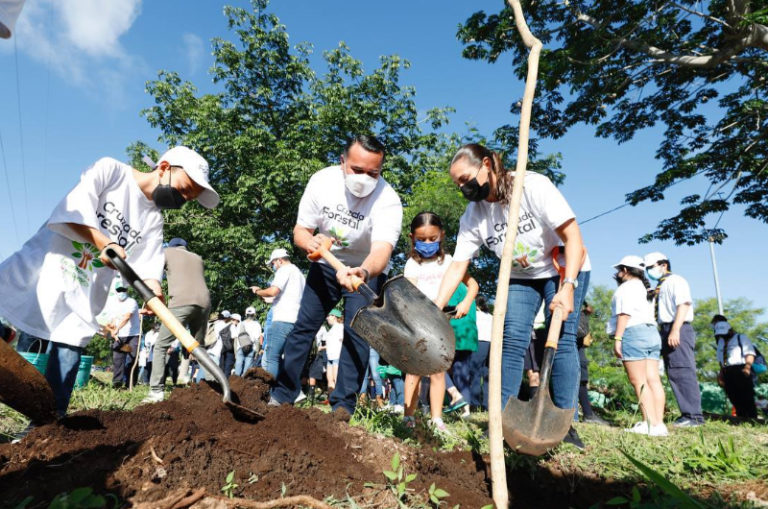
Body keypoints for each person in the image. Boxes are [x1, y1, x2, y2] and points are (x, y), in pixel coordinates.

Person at [0, 146, 218, 417]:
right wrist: (103, 241)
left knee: (67, 354)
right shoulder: (112, 172)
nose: (183, 199)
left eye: (189, 198)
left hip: (83, 295)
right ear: (164, 168)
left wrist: (154, 289)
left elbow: (149, 266)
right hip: (44, 270)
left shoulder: (153, 220)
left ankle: (43, 429)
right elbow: (73, 209)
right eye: (184, 189)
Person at [434, 143, 590, 449]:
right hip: (521, 278)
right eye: (459, 184)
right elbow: (457, 267)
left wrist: (568, 287)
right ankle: (502, 420)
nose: (464, 188)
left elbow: (573, 236)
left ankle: (564, 423)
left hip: (563, 267)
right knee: (512, 340)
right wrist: (435, 308)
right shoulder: (474, 215)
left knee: (562, 337)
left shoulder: (532, 186)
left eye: (467, 179)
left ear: (489, 164)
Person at [270, 135, 403, 416]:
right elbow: (300, 231)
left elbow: (382, 250)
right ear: (343, 162)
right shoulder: (321, 182)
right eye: (357, 170)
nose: (364, 178)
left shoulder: (388, 200)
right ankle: (282, 396)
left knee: (357, 336)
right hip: (326, 266)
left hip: (364, 272)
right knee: (304, 327)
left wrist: (363, 271)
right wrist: (310, 243)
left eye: (373, 173)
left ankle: (343, 407)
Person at [403, 211, 478, 431]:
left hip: (443, 323)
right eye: (422, 240)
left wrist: (465, 302)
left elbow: (473, 285)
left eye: (432, 239)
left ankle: (437, 419)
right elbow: (411, 293)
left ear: (442, 236)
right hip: (419, 323)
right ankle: (409, 417)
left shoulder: (450, 262)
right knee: (414, 371)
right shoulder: (412, 265)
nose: (427, 243)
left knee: (438, 371)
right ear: (412, 238)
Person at [144, 237, 212, 402]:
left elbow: (153, 278)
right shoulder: (198, 258)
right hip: (205, 303)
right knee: (198, 347)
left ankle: (156, 391)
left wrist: (153, 304)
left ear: (171, 246)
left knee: (160, 346)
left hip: (182, 302)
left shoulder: (165, 253)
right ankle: (213, 386)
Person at [644, 252, 704, 427]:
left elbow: (684, 304)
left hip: (677, 327)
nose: (649, 271)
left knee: (682, 370)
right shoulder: (660, 286)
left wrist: (675, 330)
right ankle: (687, 414)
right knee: (673, 372)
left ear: (664, 265)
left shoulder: (676, 281)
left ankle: (694, 416)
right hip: (665, 329)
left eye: (651, 267)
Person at [609, 256, 667, 436]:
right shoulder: (643, 288)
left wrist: (618, 339)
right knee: (653, 380)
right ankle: (658, 424)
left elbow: (624, 314)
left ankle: (648, 423)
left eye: (619, 269)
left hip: (634, 333)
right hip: (651, 333)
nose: (617, 273)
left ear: (625, 270)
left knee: (639, 381)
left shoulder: (625, 288)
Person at [251, 248, 306, 378]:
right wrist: (262, 296)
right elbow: (272, 298)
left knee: (271, 357)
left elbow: (273, 291)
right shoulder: (299, 274)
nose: (273, 266)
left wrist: (258, 291)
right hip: (296, 320)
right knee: (287, 359)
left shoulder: (284, 270)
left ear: (280, 261)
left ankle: (269, 393)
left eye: (273, 264)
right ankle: (290, 393)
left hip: (283, 319)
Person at [713, 319, 758, 419]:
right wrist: (721, 373)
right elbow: (720, 359)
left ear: (730, 330)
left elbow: (749, 353)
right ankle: (741, 418)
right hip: (727, 370)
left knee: (746, 396)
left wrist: (747, 367)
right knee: (732, 395)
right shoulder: (720, 341)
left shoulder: (741, 337)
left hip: (741, 368)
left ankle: (752, 419)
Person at [576, 302, 607, 425]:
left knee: (582, 379)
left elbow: (596, 313)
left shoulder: (584, 312)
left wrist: (588, 310)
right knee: (578, 379)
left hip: (579, 344)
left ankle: (587, 414)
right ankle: (586, 414)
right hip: (573, 342)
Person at [109, 288, 141, 388]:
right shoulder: (114, 304)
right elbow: (113, 320)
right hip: (120, 337)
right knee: (118, 359)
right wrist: (113, 331)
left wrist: (117, 329)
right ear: (116, 293)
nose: (121, 293)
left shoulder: (131, 302)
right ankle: (117, 383)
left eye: (123, 290)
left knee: (131, 359)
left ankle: (130, 384)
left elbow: (127, 317)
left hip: (133, 335)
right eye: (119, 291)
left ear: (127, 291)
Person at [470, 296, 492, 411]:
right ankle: (487, 405)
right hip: (491, 345)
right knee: (487, 375)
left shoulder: (475, 315)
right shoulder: (491, 317)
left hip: (479, 343)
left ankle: (474, 404)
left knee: (475, 374)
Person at [235, 307, 262, 376]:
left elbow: (236, 338)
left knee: (237, 369)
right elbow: (257, 340)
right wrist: (256, 353)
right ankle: (243, 383)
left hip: (240, 347)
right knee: (246, 372)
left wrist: (235, 351)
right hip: (251, 348)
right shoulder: (257, 325)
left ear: (245, 314)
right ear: (254, 314)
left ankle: (234, 384)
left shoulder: (240, 324)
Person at [324, 309, 344, 391]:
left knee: (337, 379)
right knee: (329, 379)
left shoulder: (341, 327)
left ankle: (339, 399)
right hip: (330, 357)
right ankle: (331, 399)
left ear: (334, 317)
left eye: (329, 316)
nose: (327, 318)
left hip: (337, 356)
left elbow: (344, 340)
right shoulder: (331, 329)